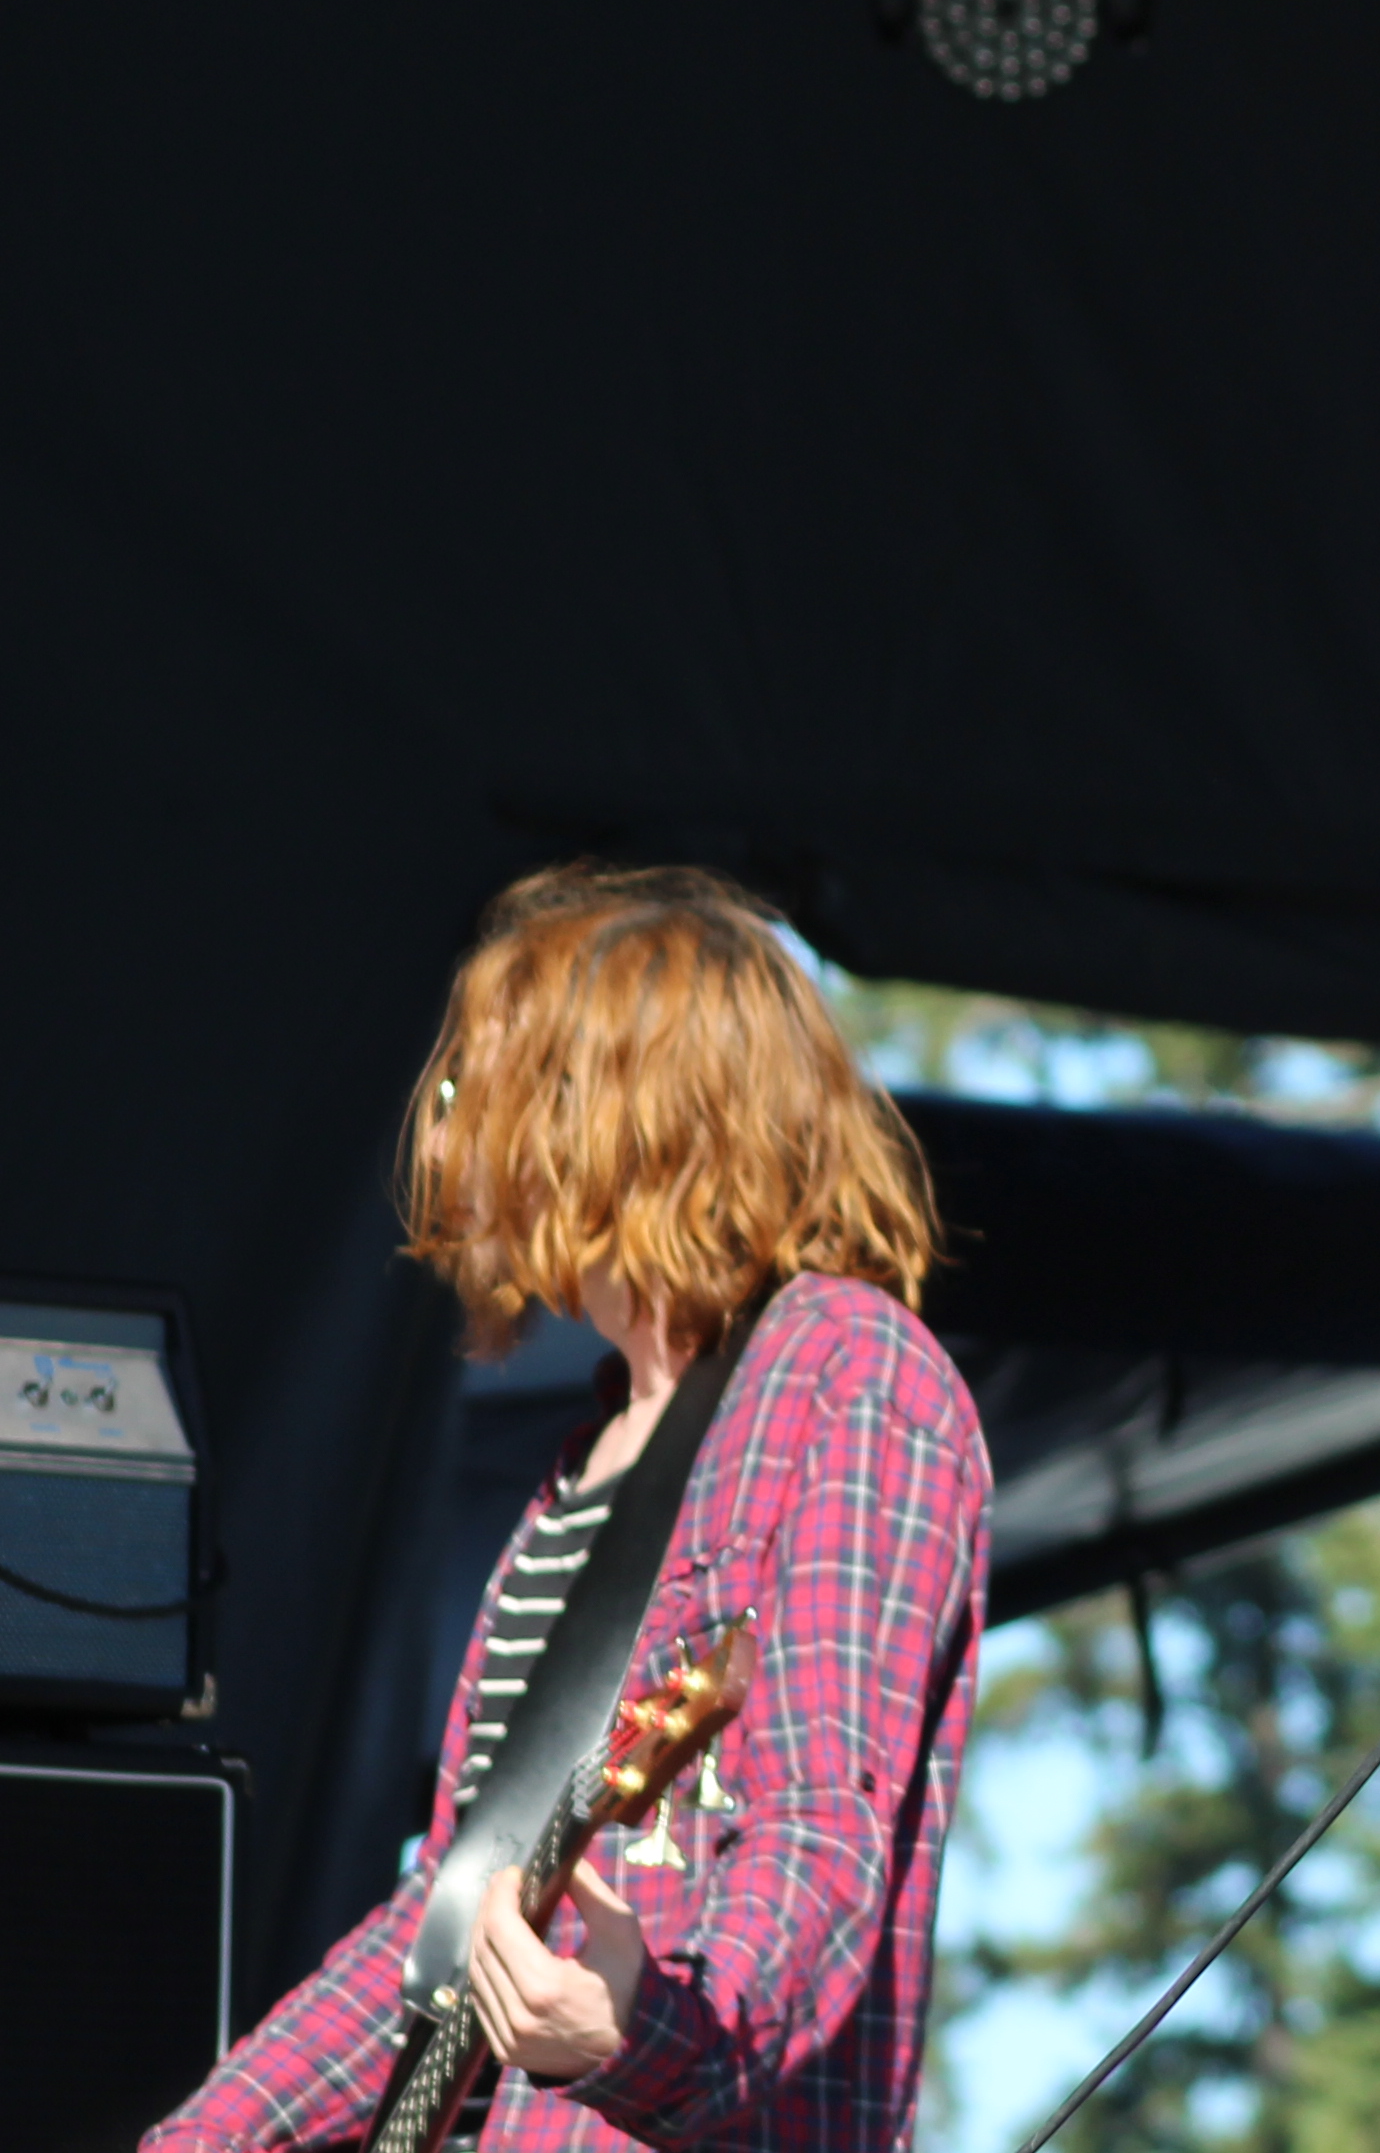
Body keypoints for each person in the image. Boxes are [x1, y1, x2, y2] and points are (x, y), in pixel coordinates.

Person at [154, 865, 993, 2153]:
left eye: (468, 1090)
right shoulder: (589, 1462)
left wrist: (650, 2030)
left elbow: (818, 1831)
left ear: (612, 1104)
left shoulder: (847, 1374)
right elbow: (453, 1916)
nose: (440, 1140)